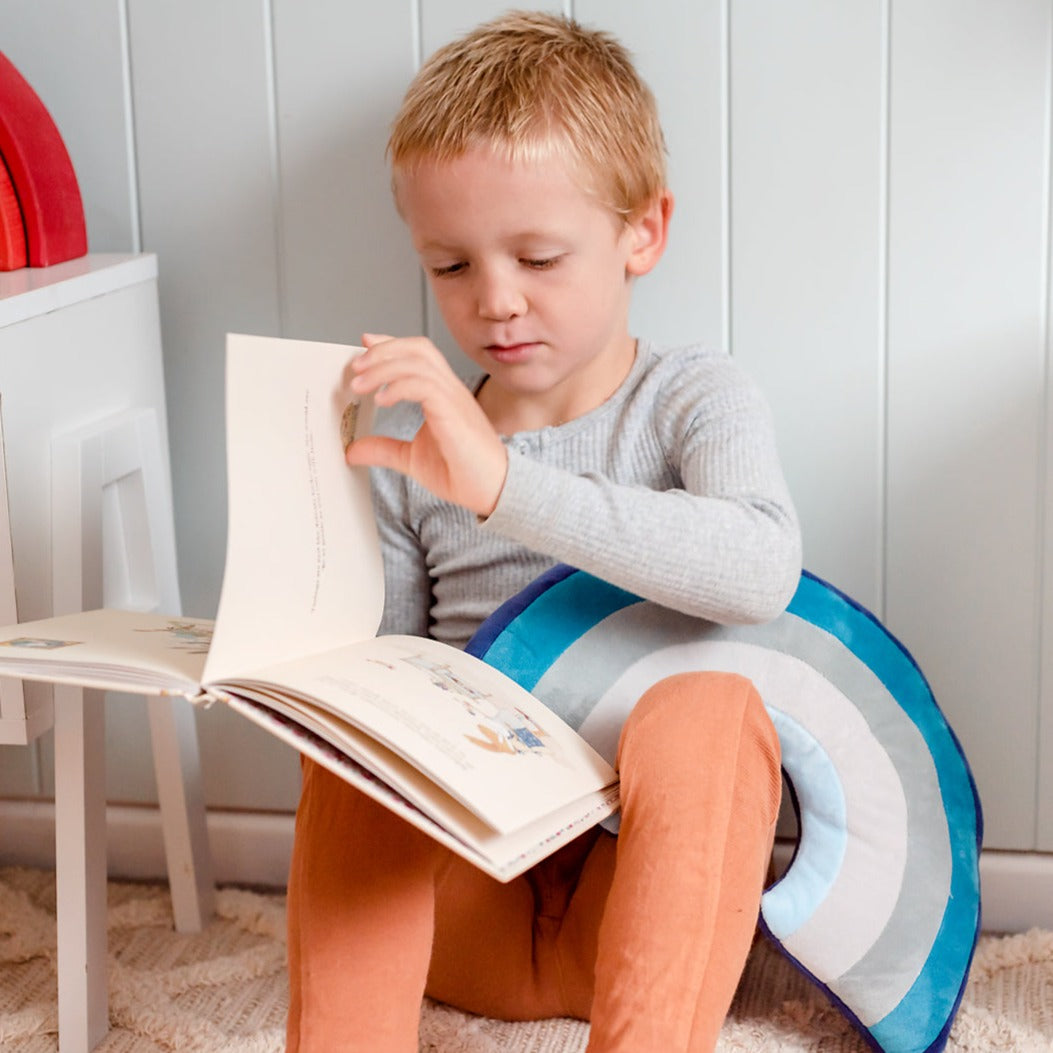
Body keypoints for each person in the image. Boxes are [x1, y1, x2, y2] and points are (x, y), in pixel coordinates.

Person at [285, 11, 801, 1052]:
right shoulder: (406, 444)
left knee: (714, 709)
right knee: (354, 736)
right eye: (452, 266)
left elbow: (760, 570)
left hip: (640, 910)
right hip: (464, 906)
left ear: (642, 234)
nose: (497, 302)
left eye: (539, 255)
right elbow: (383, 679)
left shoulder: (694, 397)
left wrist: (503, 484)